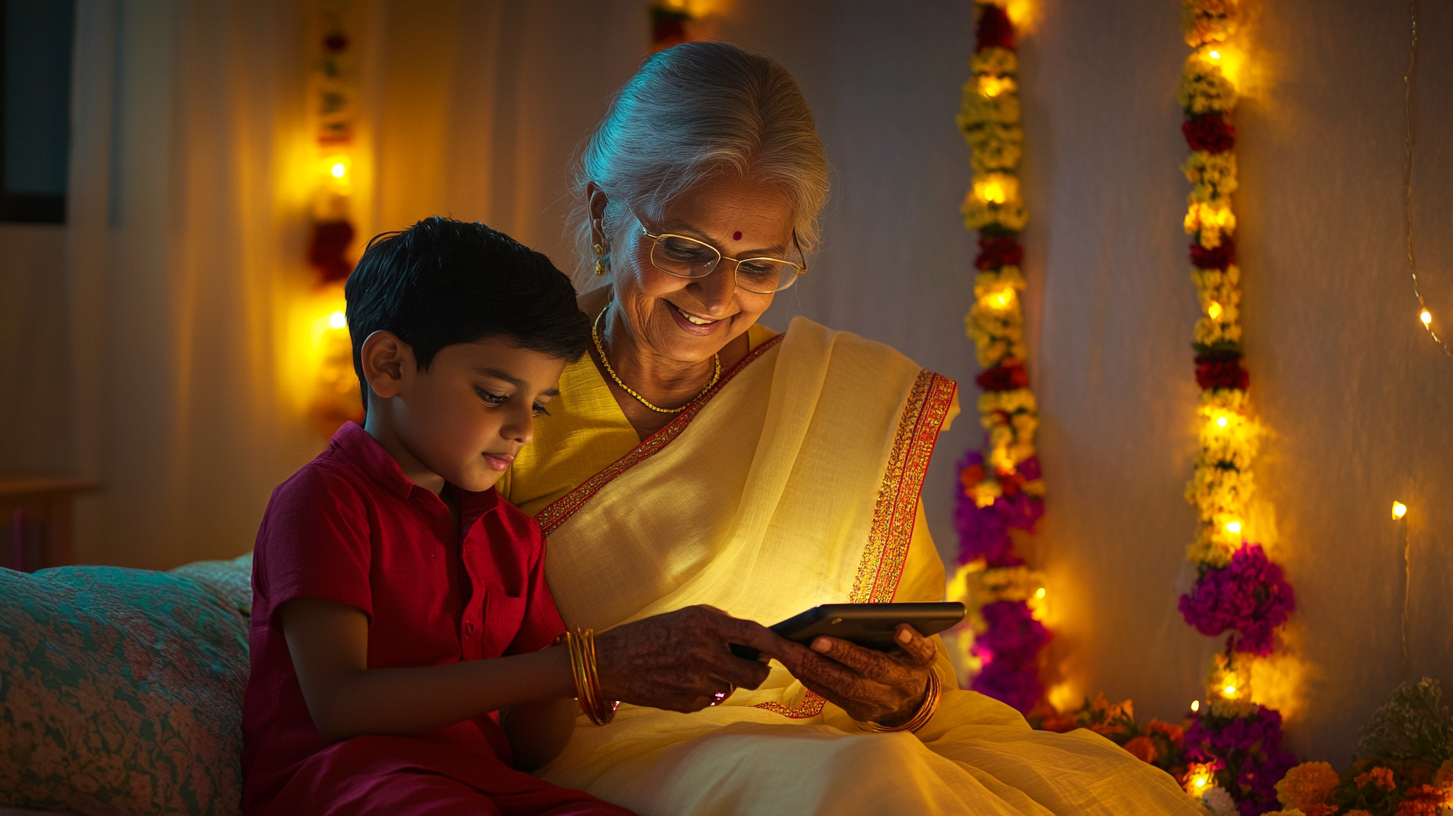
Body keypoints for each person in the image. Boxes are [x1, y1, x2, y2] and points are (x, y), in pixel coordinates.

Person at [498, 43, 1210, 815]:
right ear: (606, 217)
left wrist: (906, 697)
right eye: (684, 249)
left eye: (759, 266)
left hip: (806, 745)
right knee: (866, 785)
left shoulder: (836, 399)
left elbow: (916, 659)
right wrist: (594, 667)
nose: (716, 294)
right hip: (593, 750)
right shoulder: (503, 388)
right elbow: (428, 653)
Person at [241, 218, 789, 816]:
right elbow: (340, 704)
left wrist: (597, 677)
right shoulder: (323, 500)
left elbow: (533, 747)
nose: (523, 429)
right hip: (351, 780)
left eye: (538, 405)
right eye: (496, 396)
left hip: (488, 783)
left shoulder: (512, 537)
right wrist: (577, 663)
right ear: (390, 366)